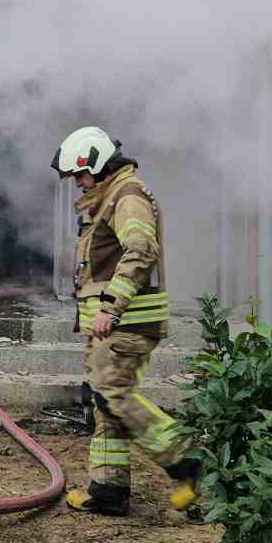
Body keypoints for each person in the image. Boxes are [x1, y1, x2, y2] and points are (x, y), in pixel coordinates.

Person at [51, 126, 200, 516]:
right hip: (113, 326)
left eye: (80, 175)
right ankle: (108, 491)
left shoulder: (127, 196)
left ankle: (186, 459)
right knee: (105, 403)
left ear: (98, 163)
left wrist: (110, 307)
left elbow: (139, 251)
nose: (78, 184)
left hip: (126, 323)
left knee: (114, 396)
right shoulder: (109, 196)